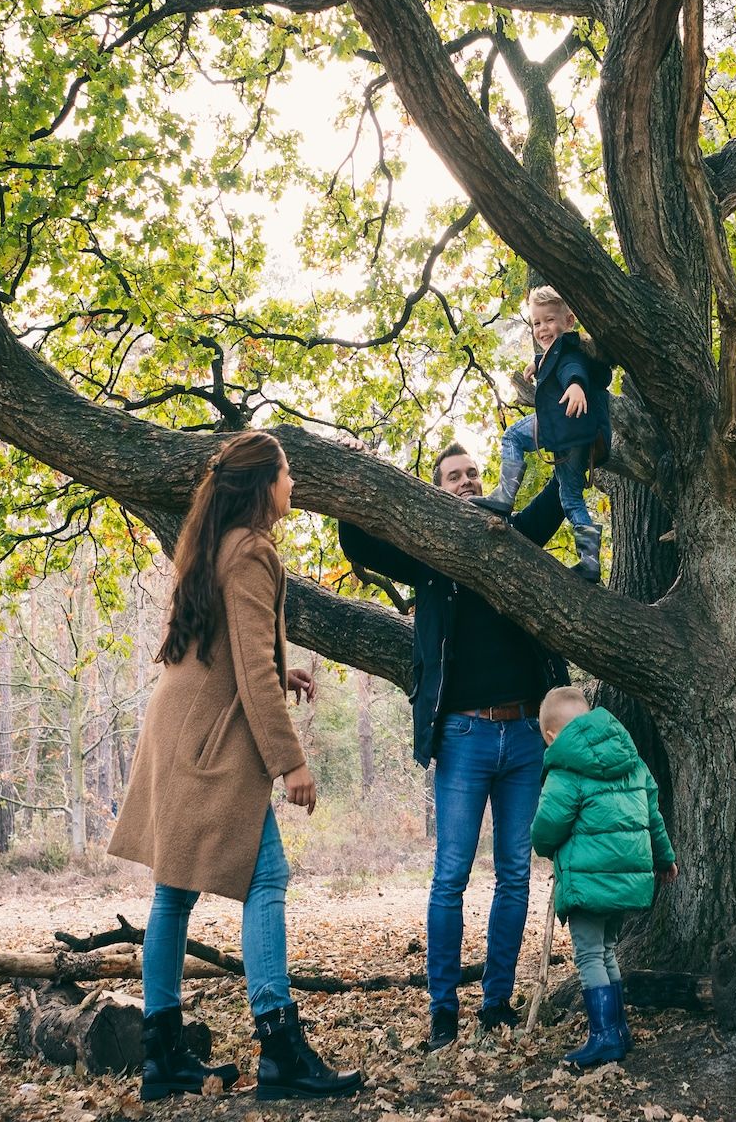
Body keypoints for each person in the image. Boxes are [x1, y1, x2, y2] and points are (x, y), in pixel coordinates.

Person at [109, 432, 363, 1103]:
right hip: (209, 740)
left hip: (181, 726)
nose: (294, 485)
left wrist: (284, 670)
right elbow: (250, 670)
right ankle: (280, 1049)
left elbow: (236, 651)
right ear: (263, 485)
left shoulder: (214, 541)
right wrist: (291, 763)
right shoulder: (251, 550)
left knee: (173, 890)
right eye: (287, 474)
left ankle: (162, 1055)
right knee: (266, 876)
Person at [339, 445, 570, 1050]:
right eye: (453, 478)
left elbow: (553, 504)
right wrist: (349, 473)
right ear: (437, 490)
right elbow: (359, 544)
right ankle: (443, 1012)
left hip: (525, 735)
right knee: (451, 877)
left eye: (473, 474)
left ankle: (496, 1004)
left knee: (515, 875)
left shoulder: (509, 538)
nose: (466, 482)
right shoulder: (426, 556)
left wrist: (572, 446)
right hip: (465, 737)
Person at [530, 685, 675, 1071]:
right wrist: (665, 858)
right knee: (607, 951)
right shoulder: (631, 759)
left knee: (590, 955)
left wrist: (542, 845)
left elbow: (548, 826)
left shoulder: (566, 768)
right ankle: (618, 1029)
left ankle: (605, 1035)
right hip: (626, 883)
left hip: (587, 885)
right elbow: (653, 815)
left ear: (551, 736)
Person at [472, 285, 613, 581]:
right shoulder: (563, 350)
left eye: (550, 320)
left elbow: (571, 368)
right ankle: (590, 562)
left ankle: (504, 497)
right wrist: (536, 362)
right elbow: (556, 359)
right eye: (537, 323)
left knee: (512, 437)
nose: (542, 328)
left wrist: (575, 385)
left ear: (569, 320)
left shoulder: (570, 353)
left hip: (563, 424)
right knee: (570, 496)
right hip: (578, 435)